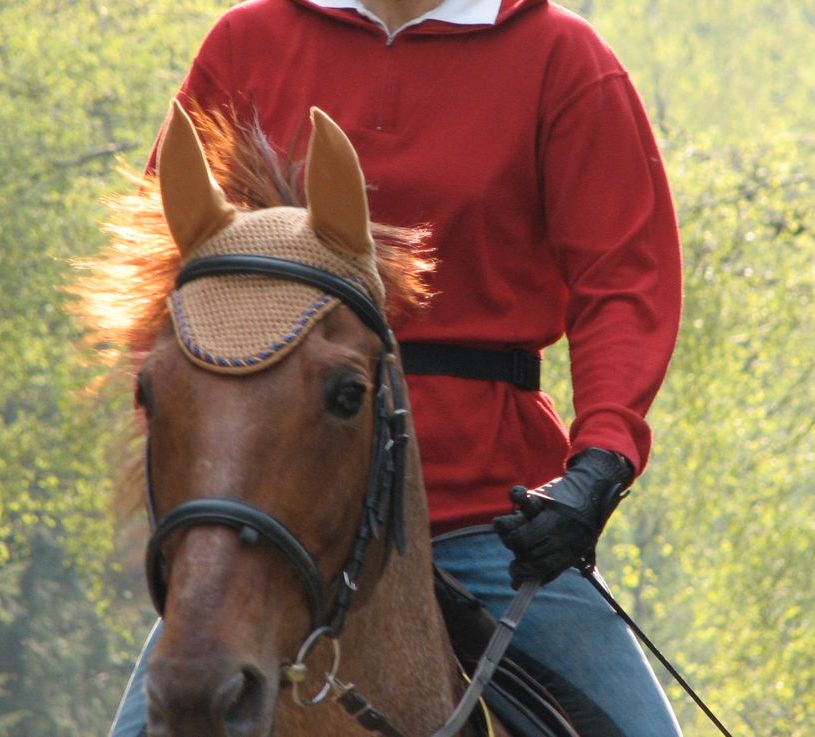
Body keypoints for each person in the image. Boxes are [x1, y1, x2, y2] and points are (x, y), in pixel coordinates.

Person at [109, 0, 684, 735]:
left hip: (494, 523)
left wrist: (598, 463)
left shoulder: (561, 59)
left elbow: (624, 284)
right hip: (277, 534)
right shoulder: (248, 43)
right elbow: (175, 296)